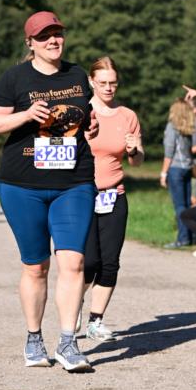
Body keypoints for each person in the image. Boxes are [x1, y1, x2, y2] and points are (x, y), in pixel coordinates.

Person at [0, 10, 99, 372]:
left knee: (74, 261)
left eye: (57, 33)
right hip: (22, 185)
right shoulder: (14, 78)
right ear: (30, 43)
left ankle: (67, 342)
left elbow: (84, 116)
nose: (53, 40)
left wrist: (89, 125)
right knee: (36, 267)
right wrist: (25, 115)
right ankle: (34, 338)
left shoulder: (78, 75)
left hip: (73, 183)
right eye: (44, 36)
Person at [82, 56, 144, 340]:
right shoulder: (80, 111)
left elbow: (137, 162)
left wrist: (133, 150)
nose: (108, 88)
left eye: (113, 83)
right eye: (103, 83)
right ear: (92, 81)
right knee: (89, 262)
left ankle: (96, 320)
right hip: (80, 195)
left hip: (114, 195)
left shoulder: (127, 116)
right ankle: (72, 309)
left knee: (110, 262)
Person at [161, 98, 196, 248]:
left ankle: (182, 239)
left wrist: (163, 173)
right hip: (187, 168)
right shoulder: (187, 128)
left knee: (180, 206)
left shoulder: (171, 127)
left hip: (175, 169)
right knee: (187, 204)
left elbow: (169, 152)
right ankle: (191, 235)